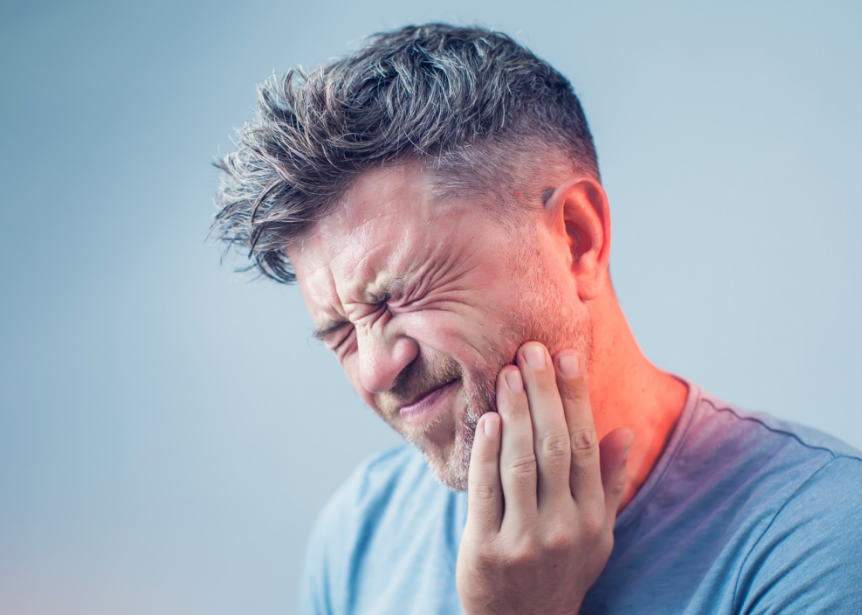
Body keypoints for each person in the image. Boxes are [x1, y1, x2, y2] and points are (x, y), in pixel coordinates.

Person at [211, 23, 862, 615]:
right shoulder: (357, 533)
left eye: (402, 293)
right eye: (341, 334)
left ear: (576, 238)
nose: (378, 366)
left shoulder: (822, 540)